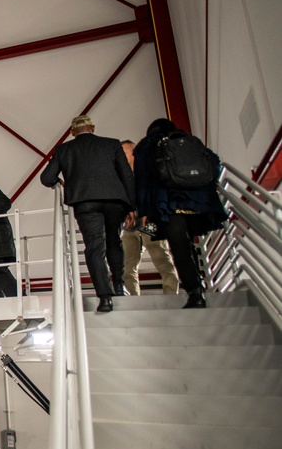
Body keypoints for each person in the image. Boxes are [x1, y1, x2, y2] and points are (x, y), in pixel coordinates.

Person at [40, 115, 135, 312]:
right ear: (92, 128)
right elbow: (126, 175)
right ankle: (119, 286)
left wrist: (59, 182)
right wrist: (132, 206)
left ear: (72, 132)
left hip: (85, 203)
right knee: (114, 241)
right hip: (114, 201)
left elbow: (47, 178)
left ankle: (105, 297)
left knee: (94, 247)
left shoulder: (64, 149)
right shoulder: (112, 145)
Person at [134, 119, 228, 308]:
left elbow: (142, 180)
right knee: (188, 243)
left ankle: (195, 292)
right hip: (199, 203)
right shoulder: (190, 141)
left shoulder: (148, 146)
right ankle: (198, 284)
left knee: (179, 246)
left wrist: (142, 211)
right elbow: (214, 163)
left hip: (169, 203)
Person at [120, 140, 179, 295]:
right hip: (129, 226)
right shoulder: (122, 177)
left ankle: (171, 294)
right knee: (127, 266)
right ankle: (132, 299)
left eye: (125, 152)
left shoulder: (147, 172)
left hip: (150, 221)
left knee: (161, 258)